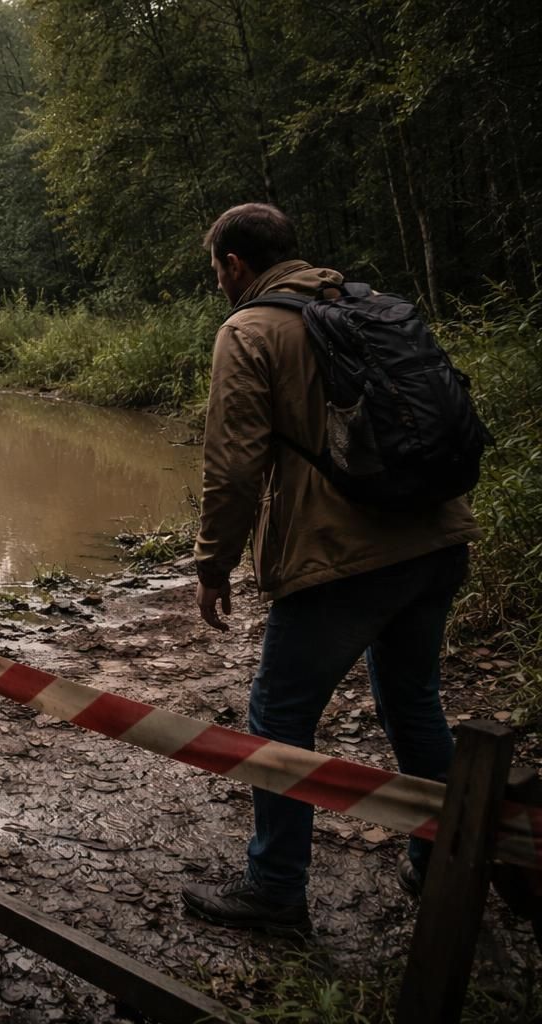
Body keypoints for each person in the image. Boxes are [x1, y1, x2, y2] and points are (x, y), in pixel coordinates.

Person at [179, 203, 482, 935]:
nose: (218, 282)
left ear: (234, 265)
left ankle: (275, 890)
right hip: (437, 536)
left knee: (278, 716)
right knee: (413, 701)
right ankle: (443, 860)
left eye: (216, 269)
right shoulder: (369, 304)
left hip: (344, 557)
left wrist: (213, 564)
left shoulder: (249, 330)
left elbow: (233, 467)